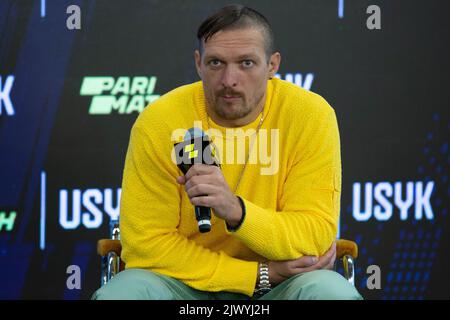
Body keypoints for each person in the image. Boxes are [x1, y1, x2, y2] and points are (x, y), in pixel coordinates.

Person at [92, 4, 362, 300]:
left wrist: (236, 211)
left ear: (272, 65)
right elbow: (147, 245)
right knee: (122, 294)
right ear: (198, 64)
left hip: (282, 287)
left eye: (246, 63)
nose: (229, 80)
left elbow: (313, 234)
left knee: (329, 292)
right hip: (181, 285)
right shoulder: (161, 121)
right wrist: (257, 275)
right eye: (216, 63)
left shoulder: (309, 115)